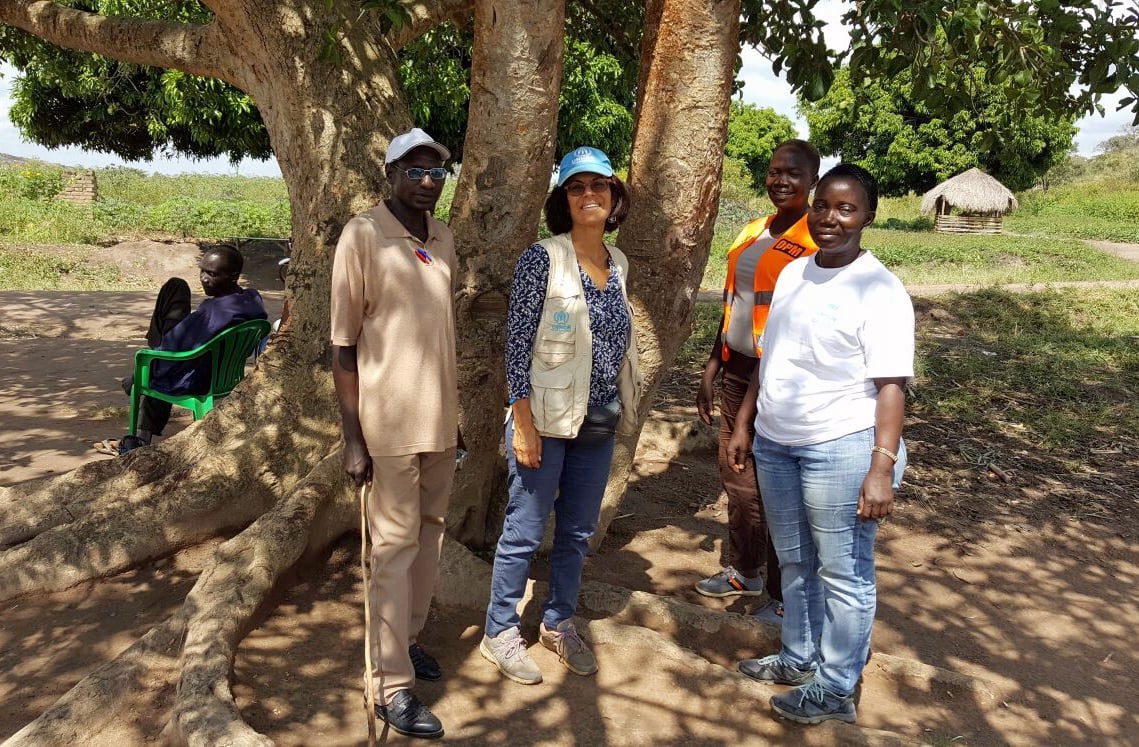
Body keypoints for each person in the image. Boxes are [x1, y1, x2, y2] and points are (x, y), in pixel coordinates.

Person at [731, 164, 914, 725]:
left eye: (846, 209)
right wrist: (745, 422)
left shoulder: (878, 288)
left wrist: (881, 467)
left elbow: (891, 386)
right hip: (777, 442)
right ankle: (797, 658)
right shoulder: (794, 273)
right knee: (795, 560)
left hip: (842, 445)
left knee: (844, 571)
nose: (830, 219)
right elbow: (771, 358)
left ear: (868, 216)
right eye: (824, 206)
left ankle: (835, 689)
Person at [481, 147, 640, 685]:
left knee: (575, 532)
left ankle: (557, 622)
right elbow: (517, 343)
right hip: (544, 419)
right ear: (564, 199)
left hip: (596, 423)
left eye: (600, 186)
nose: (590, 195)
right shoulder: (542, 258)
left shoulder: (618, 265)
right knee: (524, 529)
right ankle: (499, 630)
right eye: (578, 187)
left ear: (614, 197)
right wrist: (520, 419)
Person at [330, 127, 458, 740]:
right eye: (415, 171)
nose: (428, 182)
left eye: (437, 172)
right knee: (392, 550)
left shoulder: (444, 240)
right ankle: (390, 686)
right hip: (385, 428)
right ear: (390, 174)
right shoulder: (362, 235)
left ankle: (406, 643)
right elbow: (343, 347)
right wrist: (353, 439)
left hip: (441, 425)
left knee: (428, 539)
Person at [693, 140, 821, 627]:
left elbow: (789, 325)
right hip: (737, 367)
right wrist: (712, 365)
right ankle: (745, 569)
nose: (780, 181)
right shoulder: (752, 230)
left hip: (779, 379)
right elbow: (736, 303)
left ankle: (783, 594)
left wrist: (751, 395)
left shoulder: (816, 241)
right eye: (773, 172)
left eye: (792, 173)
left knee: (773, 485)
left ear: (812, 181)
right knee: (735, 476)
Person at [97, 245, 267, 455]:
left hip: (196, 376)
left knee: (155, 356)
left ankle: (142, 437)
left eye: (212, 274)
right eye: (202, 271)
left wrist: (138, 374)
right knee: (176, 290)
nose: (204, 278)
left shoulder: (212, 311)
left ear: (233, 275)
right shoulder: (251, 299)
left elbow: (174, 349)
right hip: (223, 372)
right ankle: (151, 353)